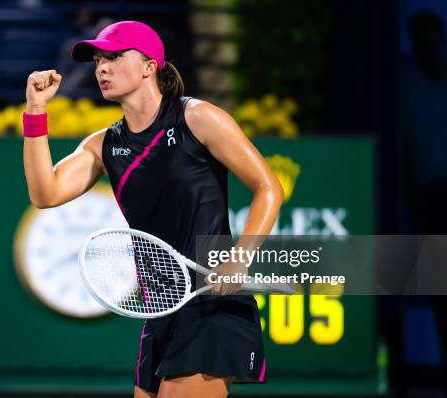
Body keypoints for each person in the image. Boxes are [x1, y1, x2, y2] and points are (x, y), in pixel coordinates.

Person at [22, 21, 283, 398]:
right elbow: (44, 194)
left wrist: (239, 259)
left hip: (212, 305)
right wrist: (35, 110)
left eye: (114, 57)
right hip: (161, 310)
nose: (101, 68)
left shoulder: (197, 117)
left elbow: (268, 187)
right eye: (98, 60)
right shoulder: (103, 145)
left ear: (149, 66)